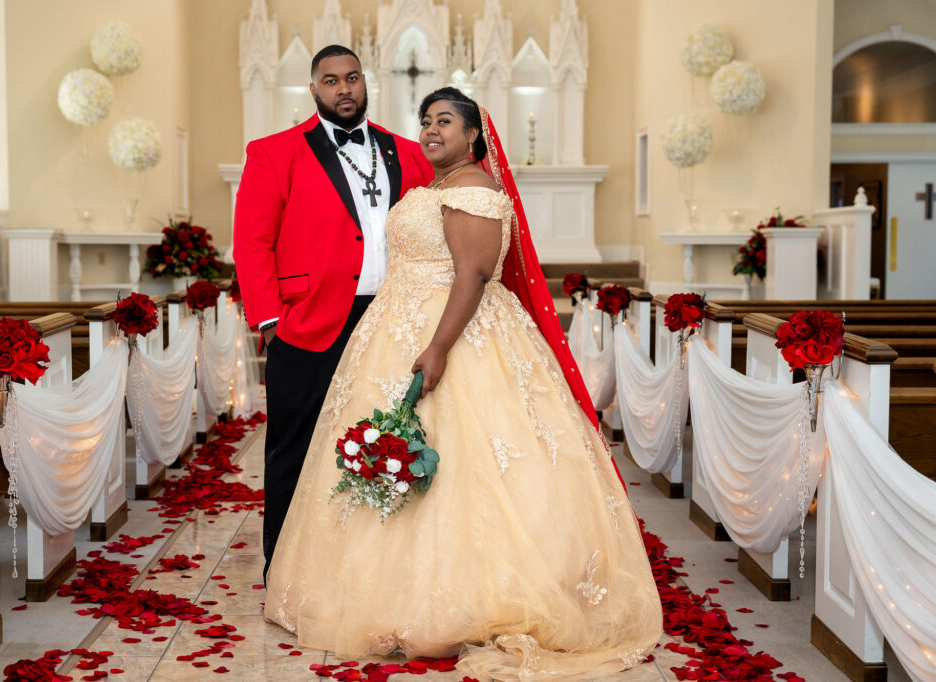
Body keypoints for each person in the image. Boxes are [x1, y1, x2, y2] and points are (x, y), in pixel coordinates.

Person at [263, 87, 662, 680]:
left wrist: (439, 348)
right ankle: (387, 588)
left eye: (444, 121)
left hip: (456, 335)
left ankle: (475, 595)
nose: (430, 130)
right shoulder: (437, 187)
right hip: (396, 327)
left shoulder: (475, 186)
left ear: (474, 134)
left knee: (473, 464)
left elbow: (473, 275)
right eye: (425, 121)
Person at [232, 45, 434, 580]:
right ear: (314, 89)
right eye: (330, 80)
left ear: (366, 82)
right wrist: (270, 321)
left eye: (351, 78)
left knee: (384, 442)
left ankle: (369, 567)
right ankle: (285, 565)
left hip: (390, 319)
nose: (343, 88)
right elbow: (252, 243)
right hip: (307, 320)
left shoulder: (407, 153)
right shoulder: (274, 153)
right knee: (293, 448)